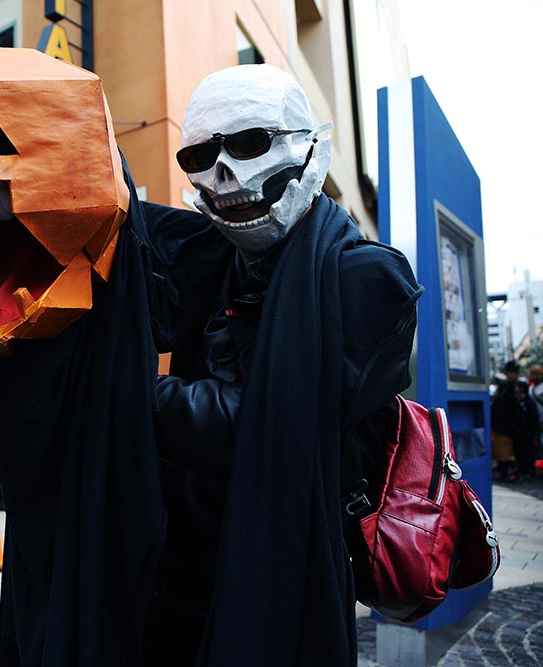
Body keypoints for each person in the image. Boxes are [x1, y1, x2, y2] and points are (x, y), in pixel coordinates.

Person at [141, 64, 421, 665]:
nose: (224, 174)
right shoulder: (217, 260)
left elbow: (264, 427)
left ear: (305, 145)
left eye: (248, 145)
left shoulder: (367, 279)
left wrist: (124, 390)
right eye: (199, 155)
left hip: (279, 577)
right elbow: (132, 230)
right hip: (180, 573)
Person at [492, 360, 521, 481]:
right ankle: (507, 471)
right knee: (505, 451)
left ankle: (507, 471)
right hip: (506, 426)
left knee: (505, 451)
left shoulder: (507, 388)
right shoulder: (509, 387)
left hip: (505, 426)